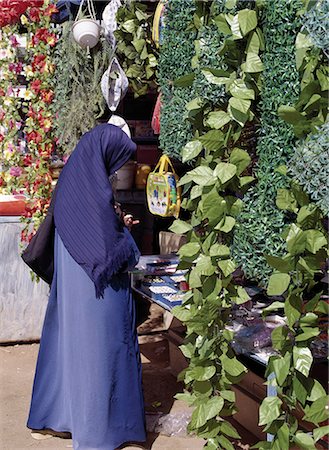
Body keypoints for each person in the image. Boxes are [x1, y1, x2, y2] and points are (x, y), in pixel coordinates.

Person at [24, 123, 146, 450]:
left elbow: (94, 229)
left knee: (69, 353)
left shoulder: (74, 181)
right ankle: (103, 432)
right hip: (98, 294)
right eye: (115, 161)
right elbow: (111, 253)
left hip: (73, 292)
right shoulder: (92, 191)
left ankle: (62, 420)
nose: (116, 170)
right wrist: (130, 242)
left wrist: (118, 222)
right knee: (102, 353)